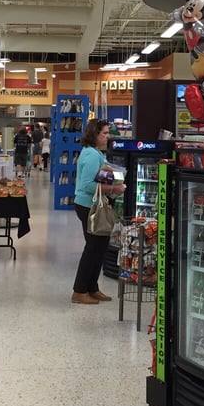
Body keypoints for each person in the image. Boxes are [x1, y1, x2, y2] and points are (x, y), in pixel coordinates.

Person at [72, 118, 125, 305]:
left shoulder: (95, 153)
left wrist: (115, 176)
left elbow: (101, 176)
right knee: (92, 248)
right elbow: (87, 185)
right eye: (105, 133)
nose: (108, 136)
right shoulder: (91, 155)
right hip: (89, 206)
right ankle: (79, 291)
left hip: (93, 205)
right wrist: (114, 188)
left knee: (100, 248)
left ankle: (92, 288)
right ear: (95, 134)